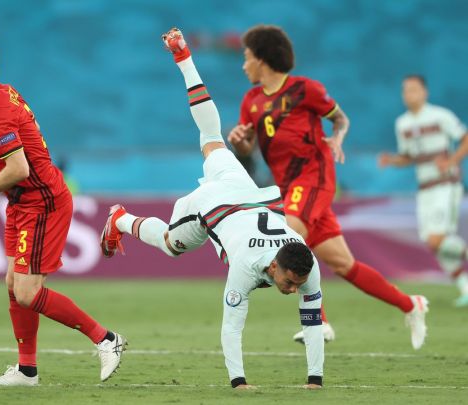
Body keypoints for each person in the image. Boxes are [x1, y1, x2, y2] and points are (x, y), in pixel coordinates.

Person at [102, 28, 325, 389]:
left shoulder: (306, 266)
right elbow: (232, 327)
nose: (291, 289)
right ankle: (121, 219)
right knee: (171, 245)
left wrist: (315, 380)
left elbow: (312, 322)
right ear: (273, 267)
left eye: (295, 284)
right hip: (213, 205)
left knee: (211, 138)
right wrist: (239, 383)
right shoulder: (246, 267)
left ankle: (183, 56)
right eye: (288, 282)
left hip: (246, 192)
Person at [227, 25, 428, 349]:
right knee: (343, 264)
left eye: (247, 57)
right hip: (287, 186)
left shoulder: (305, 89)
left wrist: (337, 138)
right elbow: (248, 145)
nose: (243, 64)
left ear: (262, 58)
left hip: (314, 176)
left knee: (290, 235)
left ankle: (318, 322)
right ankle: (411, 305)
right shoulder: (251, 100)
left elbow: (340, 118)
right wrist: (240, 141)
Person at [0, 36, 126, 386]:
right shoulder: (3, 93)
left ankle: (107, 339)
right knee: (13, 284)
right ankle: (27, 370)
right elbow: (25, 145)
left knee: (28, 292)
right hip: (22, 200)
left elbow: (20, 169)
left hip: (41, 201)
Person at [379, 75, 468, 307]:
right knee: (432, 243)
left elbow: (465, 138)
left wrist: (452, 161)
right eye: (405, 90)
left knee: (437, 239)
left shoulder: (440, 115)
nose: (409, 94)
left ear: (424, 92)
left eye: (414, 89)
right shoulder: (402, 123)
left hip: (445, 184)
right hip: (425, 188)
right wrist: (391, 160)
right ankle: (465, 288)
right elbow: (408, 157)